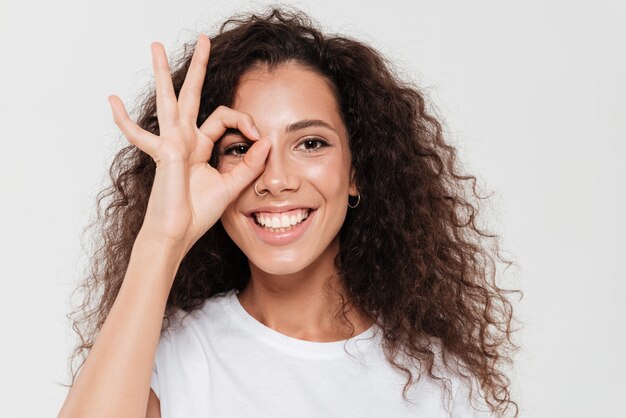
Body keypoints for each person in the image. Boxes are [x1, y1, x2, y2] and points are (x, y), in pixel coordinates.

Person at [58, 7, 518, 418]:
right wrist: (162, 240)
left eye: (311, 143)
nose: (275, 179)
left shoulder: (440, 385)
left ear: (357, 171)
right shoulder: (169, 359)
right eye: (241, 148)